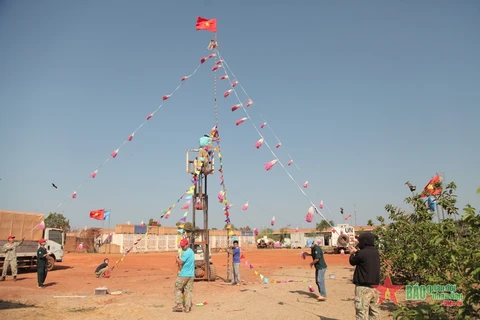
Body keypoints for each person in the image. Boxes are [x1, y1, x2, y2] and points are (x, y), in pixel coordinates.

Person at [349, 232, 381, 319]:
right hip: (375, 288)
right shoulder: (375, 252)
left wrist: (352, 253)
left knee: (361, 312)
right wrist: (357, 251)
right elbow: (364, 255)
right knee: (374, 312)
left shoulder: (362, 253)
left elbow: (353, 261)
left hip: (363, 288)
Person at [173, 238, 195, 313]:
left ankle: (179, 305)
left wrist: (177, 258)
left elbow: (181, 263)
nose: (182, 247)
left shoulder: (186, 253)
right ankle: (187, 307)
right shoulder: (191, 252)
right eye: (181, 246)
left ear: (187, 244)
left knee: (178, 288)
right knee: (188, 291)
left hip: (184, 274)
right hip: (191, 274)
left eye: (183, 246)